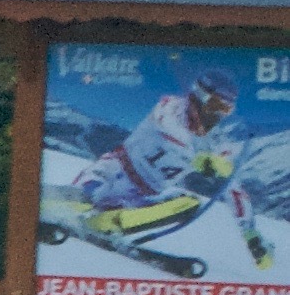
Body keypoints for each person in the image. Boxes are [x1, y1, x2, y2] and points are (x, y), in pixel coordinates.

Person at [75, 67, 272, 265]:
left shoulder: (216, 142)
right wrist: (198, 159)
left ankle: (108, 223)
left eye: (226, 109)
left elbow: (233, 189)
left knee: (189, 204)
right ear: (199, 95)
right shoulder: (170, 106)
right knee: (82, 197)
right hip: (114, 172)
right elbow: (167, 129)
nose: (218, 115)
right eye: (215, 105)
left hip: (142, 197)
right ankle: (70, 207)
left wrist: (250, 234)